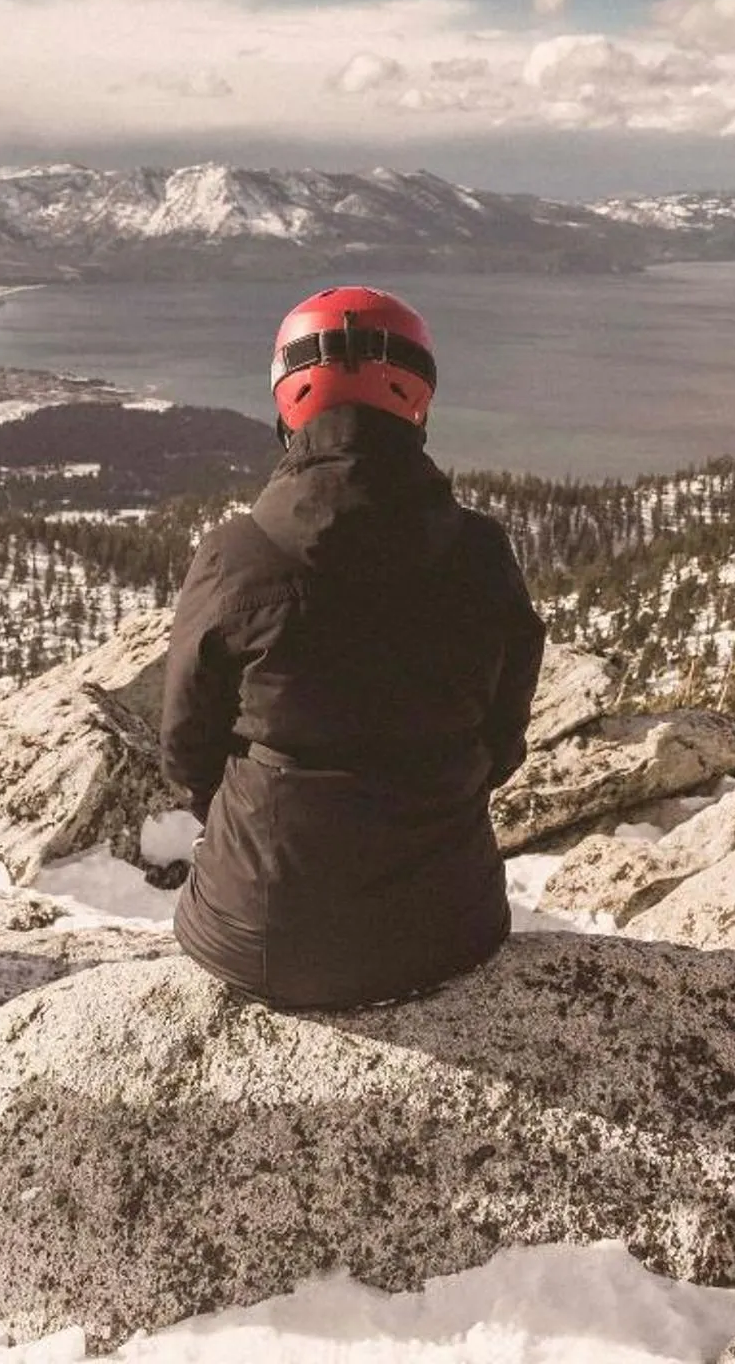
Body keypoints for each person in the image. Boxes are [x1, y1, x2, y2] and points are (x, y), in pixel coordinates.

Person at [161, 285, 546, 1010]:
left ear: (289, 400)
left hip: (261, 933)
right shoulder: (482, 555)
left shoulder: (235, 557)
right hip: (450, 928)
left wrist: (246, 810)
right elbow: (504, 736)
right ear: (416, 400)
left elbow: (187, 742)